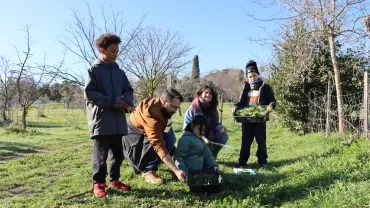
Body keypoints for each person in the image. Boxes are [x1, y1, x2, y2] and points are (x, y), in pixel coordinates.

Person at [84, 33, 134, 198]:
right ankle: (98, 183)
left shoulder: (119, 72)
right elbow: (90, 93)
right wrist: (113, 102)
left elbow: (128, 90)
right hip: (102, 121)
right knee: (101, 155)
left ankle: (115, 180)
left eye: (117, 50)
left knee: (118, 154)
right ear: (102, 50)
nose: (116, 54)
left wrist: (126, 102)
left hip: (118, 120)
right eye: (113, 50)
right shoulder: (94, 70)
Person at [122, 89, 187, 184]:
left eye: (177, 108)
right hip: (134, 140)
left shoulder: (162, 107)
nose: (175, 111)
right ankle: (148, 170)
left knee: (170, 138)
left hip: (149, 133)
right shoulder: (151, 116)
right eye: (173, 107)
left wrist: (175, 153)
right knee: (165, 142)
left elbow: (166, 127)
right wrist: (176, 171)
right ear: (164, 101)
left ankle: (172, 157)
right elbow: (158, 144)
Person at [232, 60, 277, 169]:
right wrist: (236, 107)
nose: (252, 78)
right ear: (247, 77)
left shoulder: (265, 87)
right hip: (247, 119)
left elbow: (273, 101)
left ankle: (262, 161)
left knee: (261, 141)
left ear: (258, 75)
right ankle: (242, 161)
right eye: (250, 76)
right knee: (245, 141)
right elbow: (241, 102)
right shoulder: (245, 88)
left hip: (259, 118)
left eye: (254, 75)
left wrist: (271, 106)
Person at [183, 86, 228, 159]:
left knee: (223, 136)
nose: (208, 95)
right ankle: (201, 156)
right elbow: (187, 129)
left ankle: (212, 156)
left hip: (209, 135)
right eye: (206, 92)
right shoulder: (192, 109)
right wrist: (202, 138)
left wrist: (221, 128)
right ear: (200, 94)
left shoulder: (213, 108)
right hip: (194, 136)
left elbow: (216, 124)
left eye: (210, 93)